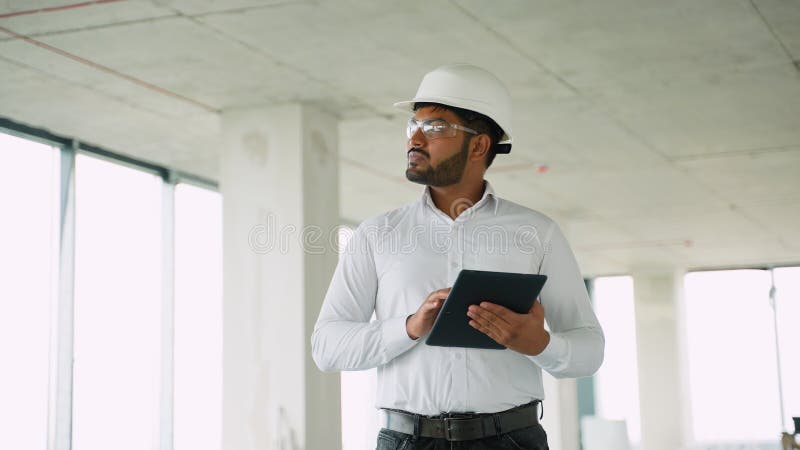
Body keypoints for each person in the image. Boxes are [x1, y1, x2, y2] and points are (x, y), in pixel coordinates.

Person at [312, 63, 605, 450]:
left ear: (480, 145)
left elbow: (589, 350)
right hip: (407, 442)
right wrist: (410, 327)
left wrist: (540, 344)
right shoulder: (377, 234)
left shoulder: (537, 233)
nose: (414, 138)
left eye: (434, 127)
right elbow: (327, 347)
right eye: (412, 126)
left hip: (512, 442)